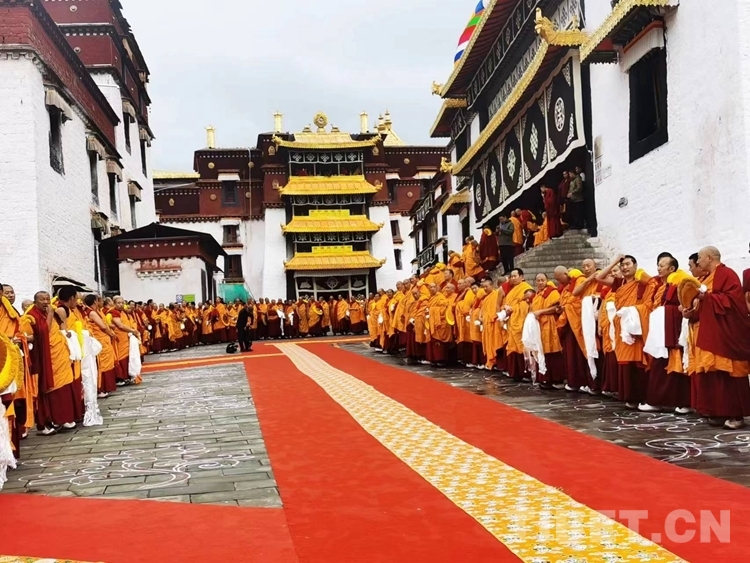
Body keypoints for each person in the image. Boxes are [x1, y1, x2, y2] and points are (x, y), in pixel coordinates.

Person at [690, 246, 750, 429]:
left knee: (730, 373)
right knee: (713, 373)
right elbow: (704, 304)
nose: (698, 261)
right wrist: (691, 310)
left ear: (709, 257)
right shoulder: (706, 278)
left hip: (727, 333)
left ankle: (736, 416)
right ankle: (718, 412)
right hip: (711, 332)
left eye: (700, 258)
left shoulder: (727, 274)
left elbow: (733, 302)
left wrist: (707, 297)